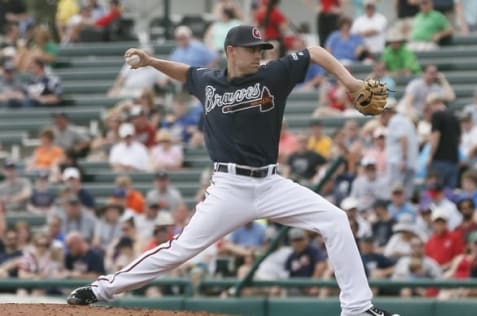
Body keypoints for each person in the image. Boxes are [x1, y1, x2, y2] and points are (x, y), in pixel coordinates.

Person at [67, 24, 398, 316]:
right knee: (180, 249)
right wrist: (153, 61)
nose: (258, 55)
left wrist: (351, 81)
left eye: (261, 49)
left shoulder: (273, 75)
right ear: (230, 51)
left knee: (335, 220)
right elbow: (185, 73)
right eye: (251, 49)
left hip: (271, 184)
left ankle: (357, 308)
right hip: (229, 188)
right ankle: (101, 289)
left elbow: (314, 52)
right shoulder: (208, 82)